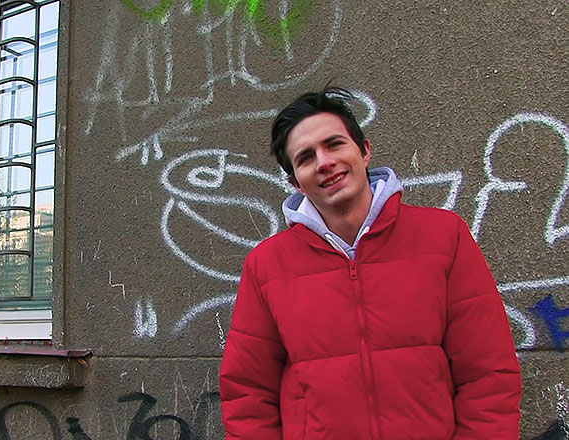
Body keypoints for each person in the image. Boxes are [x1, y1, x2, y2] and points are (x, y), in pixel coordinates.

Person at [219, 86, 522, 439]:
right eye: (306, 158)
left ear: (364, 151)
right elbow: (248, 394)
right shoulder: (267, 266)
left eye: (334, 144)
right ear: (295, 183)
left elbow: (488, 374)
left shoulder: (444, 237)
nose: (325, 162)